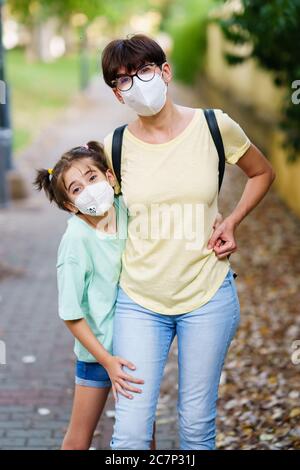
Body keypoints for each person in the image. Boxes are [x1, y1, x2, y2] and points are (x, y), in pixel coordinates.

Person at [101, 34, 276, 450]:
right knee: (129, 433)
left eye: (144, 71)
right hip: (139, 299)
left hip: (207, 296)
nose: (137, 85)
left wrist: (232, 221)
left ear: (165, 71)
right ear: (116, 94)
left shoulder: (216, 125)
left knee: (197, 427)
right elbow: (104, 216)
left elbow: (262, 172)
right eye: (123, 80)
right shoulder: (115, 146)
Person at [34, 142, 156, 450]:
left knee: (142, 435)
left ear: (110, 177)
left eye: (92, 178)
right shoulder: (76, 240)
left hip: (136, 347)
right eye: (76, 189)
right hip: (97, 355)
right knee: (79, 439)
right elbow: (71, 314)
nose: (89, 190)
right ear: (71, 206)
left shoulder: (125, 209)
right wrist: (107, 361)